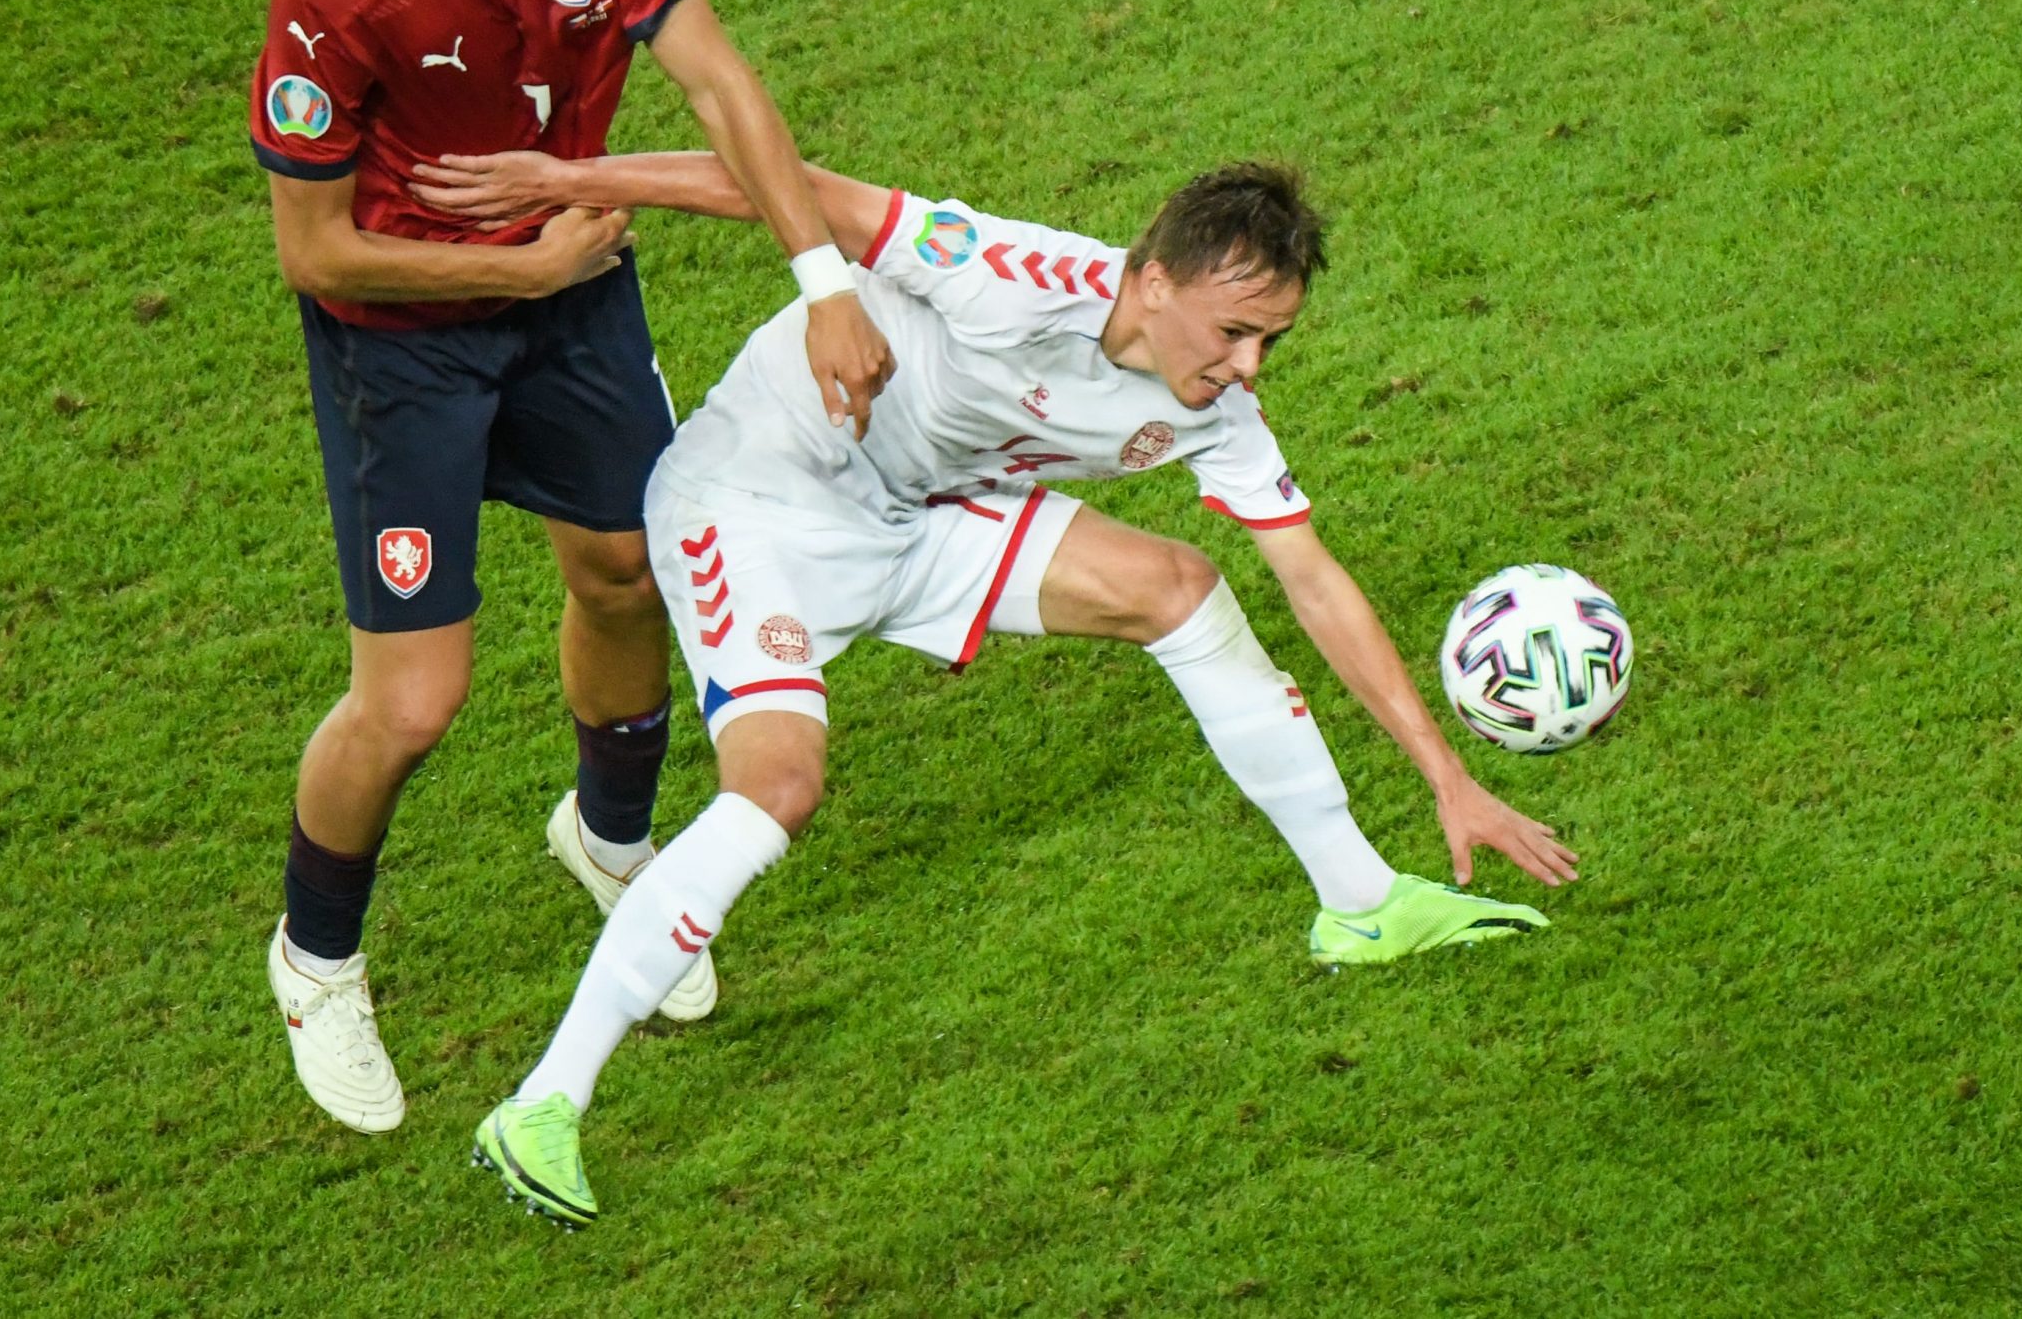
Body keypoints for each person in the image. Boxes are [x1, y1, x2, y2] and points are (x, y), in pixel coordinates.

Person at [409, 148, 1582, 1225]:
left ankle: (1360, 898)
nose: (1246, 367)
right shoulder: (1005, 274)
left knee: (1178, 587)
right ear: (1155, 281)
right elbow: (771, 178)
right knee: (779, 786)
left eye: (1271, 341)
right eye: (1234, 333)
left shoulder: (1217, 412)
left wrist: (1446, 778)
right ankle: (542, 1104)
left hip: (917, 514)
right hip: (756, 499)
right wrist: (559, 174)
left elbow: (1314, 582)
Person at [246, 0, 894, 1135]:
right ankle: (319, 957)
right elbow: (316, 249)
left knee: (629, 566)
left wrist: (821, 273)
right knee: (413, 700)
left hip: (574, 293)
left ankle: (610, 842)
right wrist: (509, 261)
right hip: (402, 341)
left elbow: (717, 78)